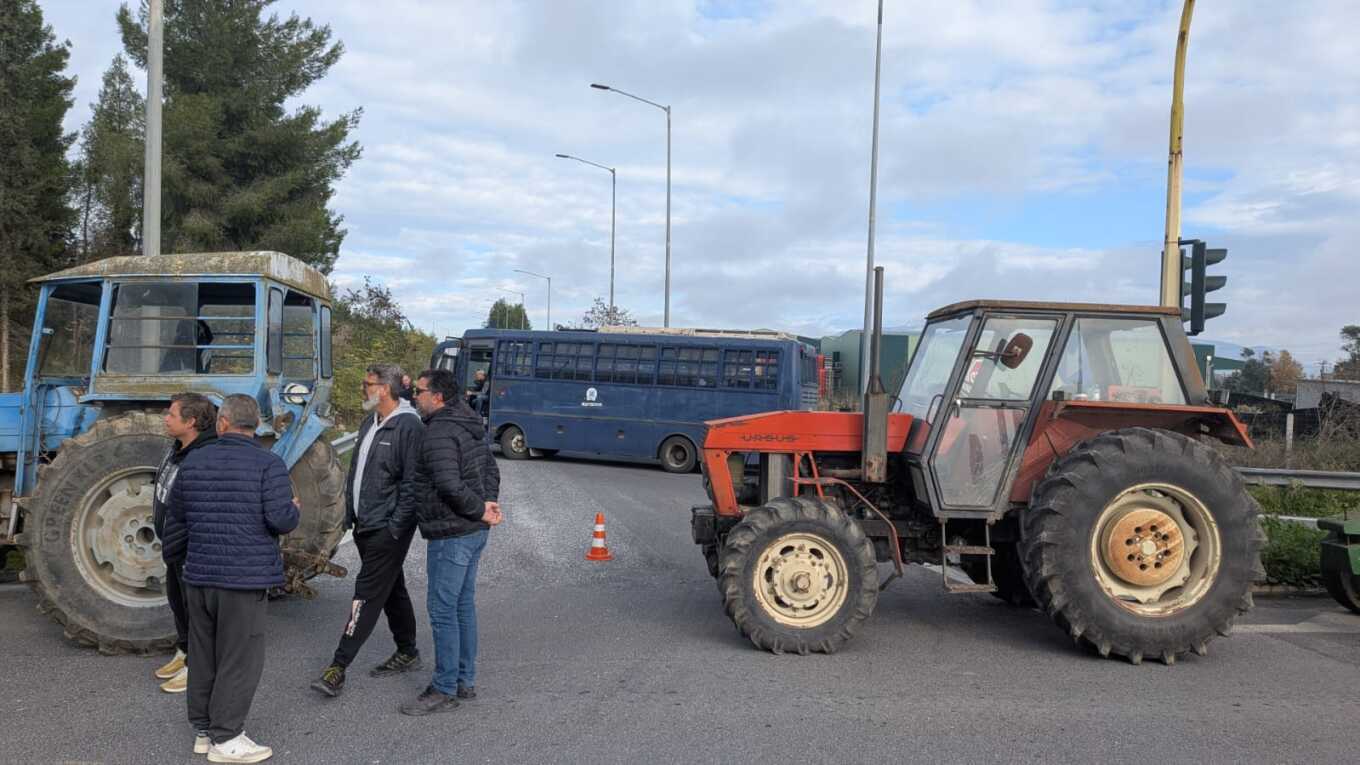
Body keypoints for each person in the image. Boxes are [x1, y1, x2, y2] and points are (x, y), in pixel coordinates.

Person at [162, 394, 298, 763]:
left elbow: (176, 518)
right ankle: (228, 738)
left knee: (204, 654)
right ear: (255, 425)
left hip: (199, 576)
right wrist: (293, 510)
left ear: (222, 423)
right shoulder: (269, 465)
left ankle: (204, 731)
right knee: (240, 659)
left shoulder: (192, 462)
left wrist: (177, 562)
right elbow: (280, 520)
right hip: (243, 580)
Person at [311, 364, 424, 697]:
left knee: (367, 593)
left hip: (387, 530)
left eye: (367, 384)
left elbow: (413, 485)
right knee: (391, 588)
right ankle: (408, 651)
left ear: (384, 389)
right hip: (364, 524)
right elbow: (357, 473)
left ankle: (337, 668)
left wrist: (394, 528)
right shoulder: (369, 422)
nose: (363, 388)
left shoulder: (409, 428)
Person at [400, 369, 502, 716]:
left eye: (420, 391)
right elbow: (491, 470)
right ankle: (464, 680)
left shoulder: (439, 432)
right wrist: (488, 505)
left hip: (453, 532)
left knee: (443, 610)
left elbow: (447, 484)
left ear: (438, 397)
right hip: (472, 530)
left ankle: (444, 687)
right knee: (462, 605)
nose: (415, 396)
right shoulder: (469, 421)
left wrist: (480, 510)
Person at [152, 392, 218, 694]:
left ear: (191, 422)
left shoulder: (203, 457)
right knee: (178, 603)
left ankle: (197, 667)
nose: (165, 419)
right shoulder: (176, 448)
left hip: (190, 547)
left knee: (196, 610)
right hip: (173, 544)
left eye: (171, 415)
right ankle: (184, 649)